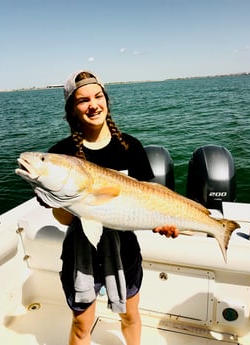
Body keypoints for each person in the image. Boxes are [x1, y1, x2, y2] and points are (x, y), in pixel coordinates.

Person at [48, 70, 179, 345]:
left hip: (125, 248)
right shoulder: (60, 155)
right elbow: (61, 218)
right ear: (72, 110)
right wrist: (65, 198)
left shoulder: (130, 147)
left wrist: (162, 222)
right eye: (82, 100)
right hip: (81, 250)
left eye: (98, 96)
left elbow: (150, 199)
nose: (93, 104)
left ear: (106, 100)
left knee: (130, 316)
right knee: (81, 324)